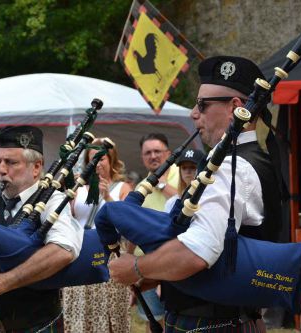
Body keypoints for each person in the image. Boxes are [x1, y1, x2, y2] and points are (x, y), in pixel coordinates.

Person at [109, 56, 284, 332]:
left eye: (203, 105)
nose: (193, 113)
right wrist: (152, 277)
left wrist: (138, 267)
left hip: (212, 323)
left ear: (236, 108)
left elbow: (198, 252)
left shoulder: (230, 167)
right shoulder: (247, 159)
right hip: (225, 318)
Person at [0, 126, 83, 333]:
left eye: (11, 162)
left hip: (38, 325)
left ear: (36, 167)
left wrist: (6, 281)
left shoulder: (53, 200)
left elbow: (64, 250)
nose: (2, 169)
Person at [62, 138, 133, 333]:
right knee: (81, 308)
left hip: (110, 254)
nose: (98, 163)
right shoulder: (79, 188)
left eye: (102, 159)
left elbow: (128, 222)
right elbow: (69, 218)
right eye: (94, 159)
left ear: (111, 161)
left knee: (108, 308)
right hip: (82, 252)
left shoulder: (123, 188)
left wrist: (108, 197)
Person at [130, 133, 180, 332]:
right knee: (154, 321)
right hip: (148, 265)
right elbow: (134, 227)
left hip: (178, 261)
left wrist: (159, 183)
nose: (153, 156)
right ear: (142, 158)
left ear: (168, 153)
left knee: (178, 318)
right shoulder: (140, 188)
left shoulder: (183, 172)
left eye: (157, 151)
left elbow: (186, 201)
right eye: (147, 153)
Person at [164, 148, 205, 213]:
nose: (188, 171)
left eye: (193, 167)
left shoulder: (208, 198)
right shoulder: (172, 202)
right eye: (184, 167)